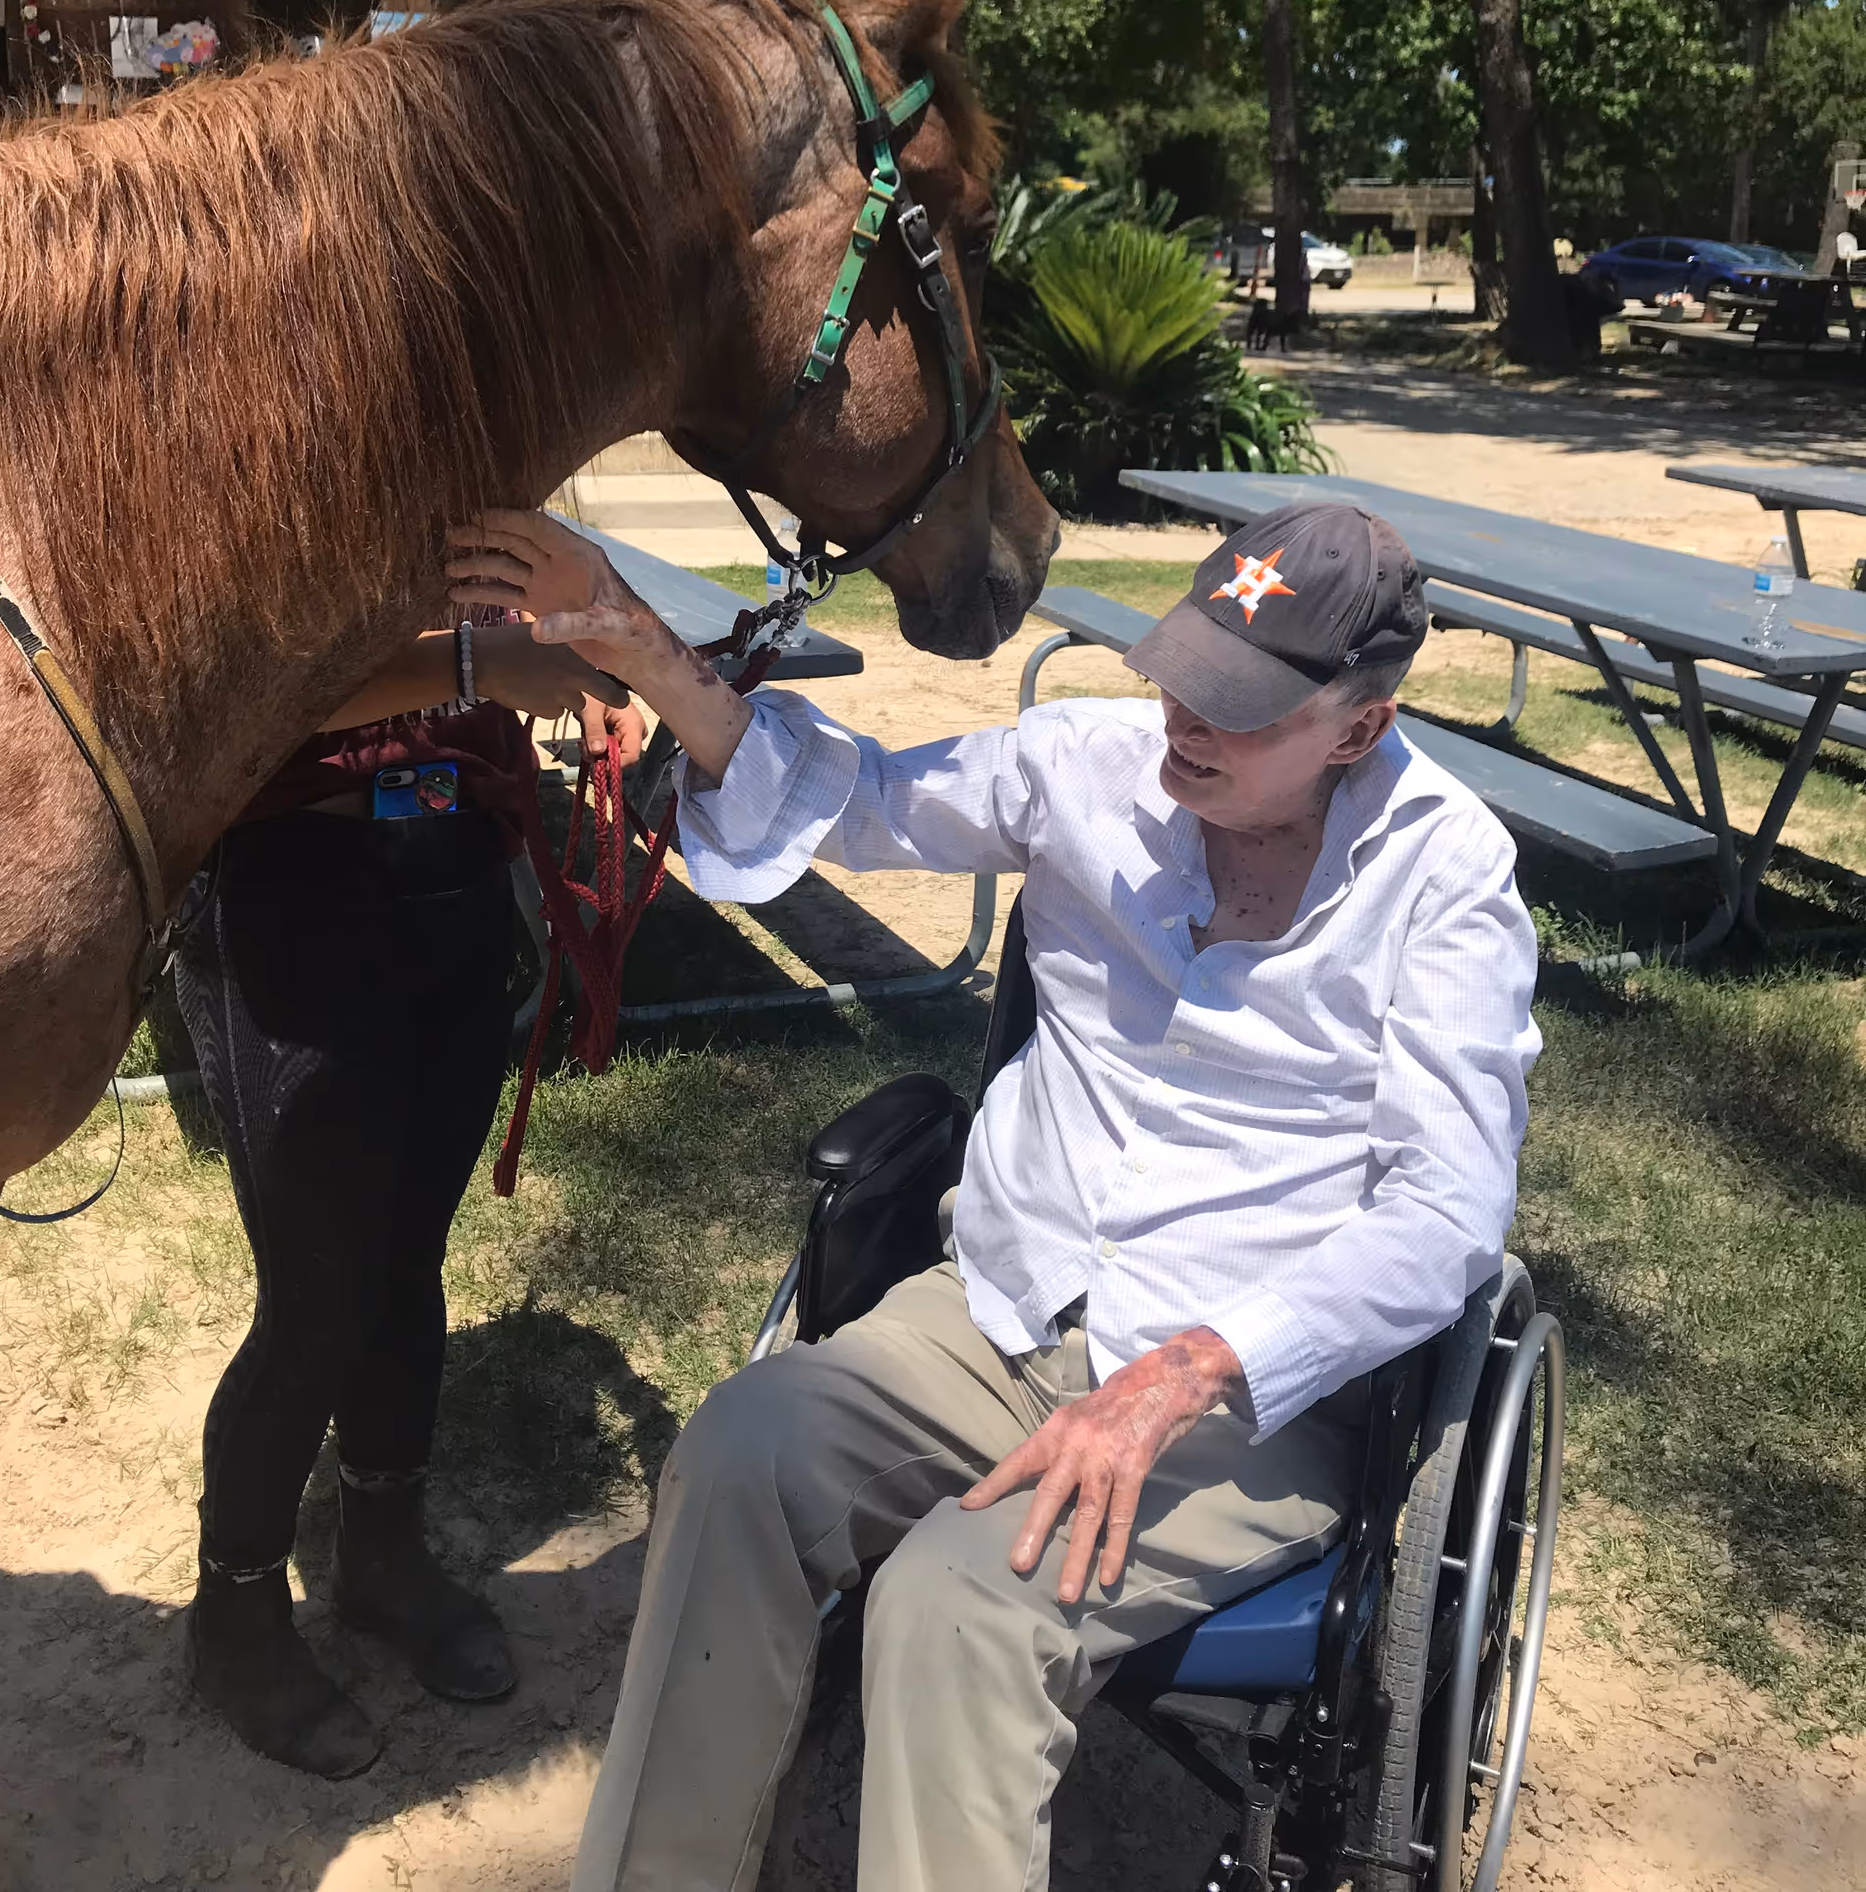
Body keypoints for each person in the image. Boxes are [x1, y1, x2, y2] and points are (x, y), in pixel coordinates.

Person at [444, 499, 1542, 1892]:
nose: (1187, 727)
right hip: (1004, 1308)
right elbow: (855, 798)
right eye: (1186, 679)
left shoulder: (1447, 879)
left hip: (1233, 1393)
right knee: (737, 1453)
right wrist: (645, 649)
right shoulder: (1083, 765)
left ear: (1360, 729)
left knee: (957, 1607)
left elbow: (1447, 1217)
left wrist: (1184, 1375)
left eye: (1245, 712)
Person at [176, 610, 643, 1780]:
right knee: (317, 1300)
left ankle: (381, 1555)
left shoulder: (478, 477)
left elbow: (522, 615)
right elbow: (249, 675)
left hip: (452, 866)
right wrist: (490, 666)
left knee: (404, 1264)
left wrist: (581, 661)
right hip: (293, 882)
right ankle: (233, 1618)